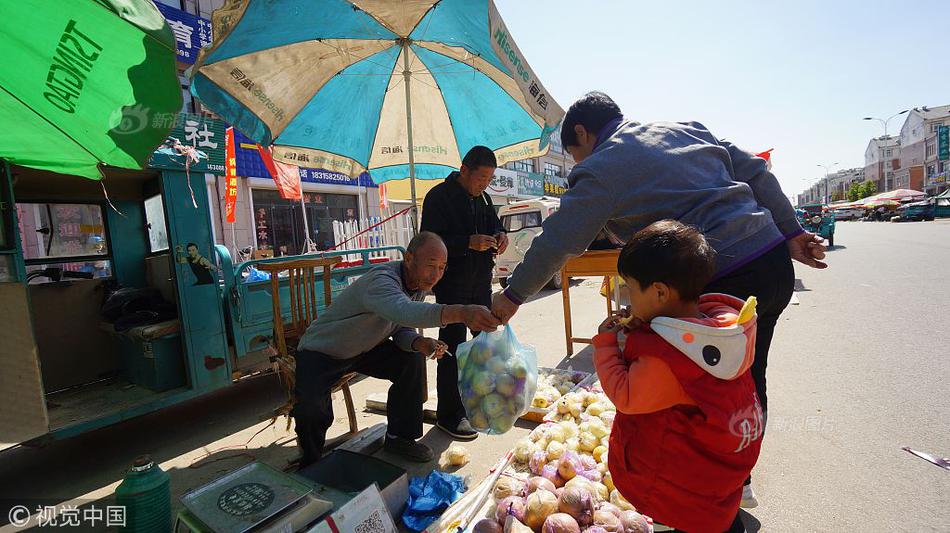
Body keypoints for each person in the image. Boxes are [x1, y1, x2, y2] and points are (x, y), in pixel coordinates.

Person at [491, 91, 827, 506]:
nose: (578, 163)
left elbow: (560, 239)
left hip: (717, 278)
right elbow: (757, 171)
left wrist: (513, 294)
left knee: (691, 396)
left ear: (582, 132)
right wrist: (791, 232)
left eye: (574, 153)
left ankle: (702, 497)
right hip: (773, 263)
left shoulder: (602, 167)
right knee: (745, 378)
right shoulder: (685, 129)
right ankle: (737, 482)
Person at [594, 221, 762, 533]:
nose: (625, 299)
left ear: (659, 292)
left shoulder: (667, 358)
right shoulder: (716, 332)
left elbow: (625, 395)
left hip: (679, 492)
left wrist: (606, 345)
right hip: (714, 477)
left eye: (629, 288)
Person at [292, 232, 500, 467]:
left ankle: (400, 437)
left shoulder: (416, 285)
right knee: (311, 409)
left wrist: (420, 343)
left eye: (442, 267)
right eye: (431, 265)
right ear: (409, 258)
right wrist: (462, 312)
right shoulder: (381, 280)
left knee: (410, 361)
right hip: (322, 352)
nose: (436, 274)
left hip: (365, 349)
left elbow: (399, 327)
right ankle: (310, 463)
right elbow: (403, 311)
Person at [420, 146, 508, 440]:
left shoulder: (484, 199)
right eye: (481, 177)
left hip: (480, 282)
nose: (484, 184)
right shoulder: (438, 197)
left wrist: (501, 236)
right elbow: (429, 241)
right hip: (453, 285)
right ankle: (449, 414)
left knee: (484, 345)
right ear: (464, 170)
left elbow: (496, 225)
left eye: (489, 179)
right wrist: (467, 242)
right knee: (452, 349)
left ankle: (478, 400)